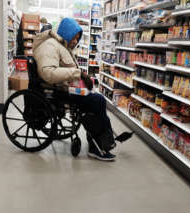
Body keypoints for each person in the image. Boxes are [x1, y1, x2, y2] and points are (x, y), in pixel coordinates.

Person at [33, 18, 125, 161]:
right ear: (66, 33)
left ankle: (98, 140)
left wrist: (81, 79)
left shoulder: (62, 46)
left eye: (77, 39)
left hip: (66, 88)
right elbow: (48, 73)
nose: (76, 41)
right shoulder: (50, 46)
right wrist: (79, 74)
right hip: (58, 91)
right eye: (74, 38)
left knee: (97, 100)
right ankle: (97, 146)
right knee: (97, 101)